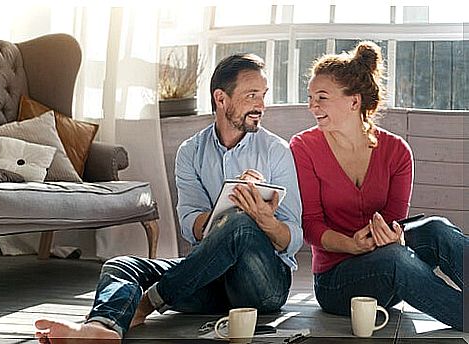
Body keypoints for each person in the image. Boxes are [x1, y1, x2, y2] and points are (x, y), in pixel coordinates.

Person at [35, 53, 303, 342]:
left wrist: (263, 219)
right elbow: (191, 226)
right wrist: (229, 207)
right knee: (121, 265)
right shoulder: (191, 151)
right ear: (221, 98)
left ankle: (146, 304)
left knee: (241, 226)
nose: (261, 105)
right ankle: (103, 328)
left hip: (261, 285)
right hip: (207, 280)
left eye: (263, 95)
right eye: (252, 95)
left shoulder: (277, 151)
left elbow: (293, 238)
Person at [289, 41, 467, 332]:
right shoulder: (303, 147)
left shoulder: (397, 151)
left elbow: (393, 221)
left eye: (321, 97)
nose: (312, 106)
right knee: (395, 258)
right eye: (310, 97)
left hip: (389, 266)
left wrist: (392, 237)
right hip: (337, 283)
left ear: (354, 101)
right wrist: (351, 245)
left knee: (436, 228)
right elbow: (309, 225)